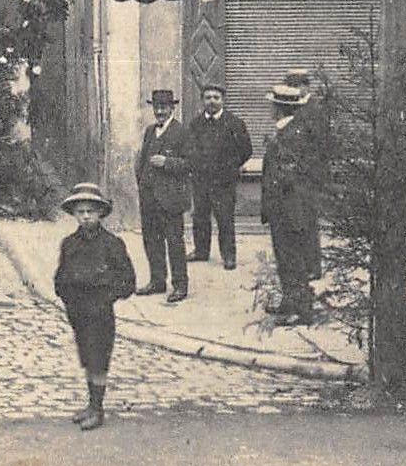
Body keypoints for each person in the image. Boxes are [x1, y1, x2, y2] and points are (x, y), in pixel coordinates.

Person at [53, 183, 135, 430]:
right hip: (78, 312)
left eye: (91, 211)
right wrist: (67, 296)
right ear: (74, 215)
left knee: (99, 359)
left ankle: (98, 409)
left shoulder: (112, 244)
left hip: (100, 313)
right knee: (87, 358)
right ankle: (90, 404)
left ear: (101, 213)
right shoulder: (69, 244)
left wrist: (106, 296)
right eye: (81, 212)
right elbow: (61, 276)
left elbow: (128, 281)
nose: (86, 216)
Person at [260, 81, 328, 325]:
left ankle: (302, 310)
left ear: (278, 108)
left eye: (272, 106)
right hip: (286, 207)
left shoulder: (294, 135)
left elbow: (293, 173)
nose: (270, 110)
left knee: (293, 259)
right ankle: (291, 301)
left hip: (291, 208)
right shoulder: (289, 131)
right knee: (286, 257)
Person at [134, 89, 193, 302]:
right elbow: (142, 159)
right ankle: (157, 281)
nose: (159, 111)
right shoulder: (150, 131)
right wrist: (141, 181)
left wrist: (167, 163)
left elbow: (191, 164)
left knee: (174, 242)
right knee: (152, 240)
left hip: (170, 199)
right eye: (156, 107)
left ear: (172, 108)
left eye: (164, 107)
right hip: (149, 197)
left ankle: (180, 285)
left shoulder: (182, 132)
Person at [186, 84, 252, 270]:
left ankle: (229, 256)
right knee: (200, 217)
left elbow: (246, 150)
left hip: (224, 182)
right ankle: (201, 251)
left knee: (225, 219)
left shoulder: (234, 123)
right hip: (201, 181)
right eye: (208, 97)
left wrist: (231, 167)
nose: (212, 101)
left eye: (216, 97)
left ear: (223, 100)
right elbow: (190, 149)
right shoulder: (195, 124)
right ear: (202, 100)